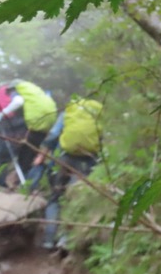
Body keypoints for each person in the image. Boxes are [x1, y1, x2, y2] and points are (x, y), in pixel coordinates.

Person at [28, 97, 104, 249]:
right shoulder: (97, 113)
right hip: (87, 161)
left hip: (65, 159)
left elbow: (54, 135)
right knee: (73, 199)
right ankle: (65, 239)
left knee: (55, 198)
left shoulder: (68, 112)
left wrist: (41, 156)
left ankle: (49, 239)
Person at [0, 80, 58, 187]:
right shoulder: (36, 93)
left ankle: (0, 186)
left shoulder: (16, 90)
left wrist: (1, 114)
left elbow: (18, 101)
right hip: (41, 128)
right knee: (26, 162)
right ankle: (29, 190)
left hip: (27, 128)